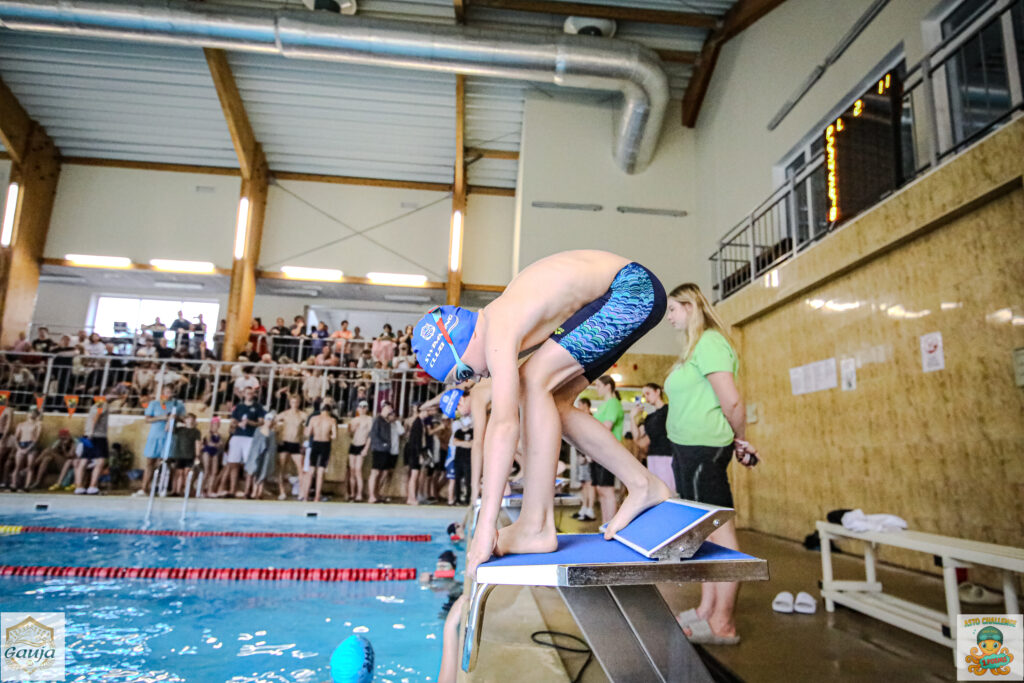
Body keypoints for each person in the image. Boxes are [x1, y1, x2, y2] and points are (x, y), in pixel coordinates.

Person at [412, 251, 671, 577]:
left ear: (466, 338)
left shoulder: (497, 330)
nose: (474, 379)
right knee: (553, 402)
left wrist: (486, 524)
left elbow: (504, 425)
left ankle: (535, 526)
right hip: (630, 293)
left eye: (463, 372)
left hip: (632, 290)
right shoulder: (501, 317)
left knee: (532, 381)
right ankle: (642, 484)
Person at [663, 282, 760, 645]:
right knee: (701, 532)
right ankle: (707, 608)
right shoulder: (693, 348)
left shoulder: (711, 343)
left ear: (690, 306)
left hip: (705, 449)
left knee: (719, 532)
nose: (669, 317)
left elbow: (731, 402)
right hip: (686, 450)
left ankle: (724, 621)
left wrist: (740, 439)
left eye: (673, 309)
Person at [136, 385, 185, 496]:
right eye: (166, 391)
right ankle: (144, 488)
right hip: (155, 436)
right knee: (150, 462)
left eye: (170, 392)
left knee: (166, 463)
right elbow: (147, 419)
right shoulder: (154, 404)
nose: (168, 394)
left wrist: (175, 417)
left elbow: (184, 419)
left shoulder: (178, 404)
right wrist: (163, 417)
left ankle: (164, 487)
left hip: (169, 436)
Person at [222, 387, 266, 498]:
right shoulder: (239, 406)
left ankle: (247, 491)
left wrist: (250, 422)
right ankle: (232, 490)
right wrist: (238, 424)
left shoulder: (258, 407)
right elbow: (233, 421)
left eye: (251, 393)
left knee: (249, 465)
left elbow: (261, 422)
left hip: (250, 437)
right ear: (244, 394)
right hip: (237, 436)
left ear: (254, 394)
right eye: (247, 393)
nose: (249, 395)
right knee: (233, 463)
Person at [632, 382, 675, 493]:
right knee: (657, 491)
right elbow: (637, 438)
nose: (646, 398)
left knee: (668, 490)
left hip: (667, 455)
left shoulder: (669, 411)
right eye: (644, 395)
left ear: (657, 391)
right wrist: (632, 417)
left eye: (648, 393)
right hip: (652, 456)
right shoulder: (649, 417)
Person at [74, 397, 111, 495]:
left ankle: (79, 487)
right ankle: (92, 486)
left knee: (84, 460)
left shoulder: (94, 406)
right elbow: (97, 416)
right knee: (100, 461)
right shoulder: (103, 404)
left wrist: (88, 433)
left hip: (88, 435)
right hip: (98, 436)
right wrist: (91, 432)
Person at [571, 397, 596, 521]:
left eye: (580, 404)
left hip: (588, 456)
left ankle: (590, 509)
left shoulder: (590, 418)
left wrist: (586, 455)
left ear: (586, 405)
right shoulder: (580, 419)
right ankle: (584, 507)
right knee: (583, 484)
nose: (578, 407)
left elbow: (589, 438)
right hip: (581, 455)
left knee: (589, 484)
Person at [276, 395, 306, 500]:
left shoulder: (302, 415)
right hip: (285, 442)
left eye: (296, 402)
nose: (294, 404)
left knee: (301, 469)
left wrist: (304, 442)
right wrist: (278, 435)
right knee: (281, 468)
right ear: (290, 403)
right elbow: (273, 421)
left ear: (299, 403)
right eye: (293, 402)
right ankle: (282, 491)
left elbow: (308, 427)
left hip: (296, 443)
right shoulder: (285, 414)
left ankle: (302, 492)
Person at [307, 403, 337, 502]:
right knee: (320, 472)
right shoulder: (332, 420)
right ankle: (317, 497)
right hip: (325, 444)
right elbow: (334, 436)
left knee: (311, 471)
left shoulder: (313, 419)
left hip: (315, 443)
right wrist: (328, 434)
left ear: (321, 410)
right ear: (329, 411)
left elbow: (308, 433)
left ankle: (305, 496)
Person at [244, 410, 278, 499]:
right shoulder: (258, 430)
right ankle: (251, 492)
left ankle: (259, 492)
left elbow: (272, 447)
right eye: (268, 420)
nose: (269, 422)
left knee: (263, 473)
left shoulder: (272, 433)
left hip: (266, 456)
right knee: (254, 472)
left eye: (271, 420)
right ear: (265, 420)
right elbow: (255, 445)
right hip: (256, 455)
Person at [366, 403, 394, 504]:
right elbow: (373, 435)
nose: (390, 410)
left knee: (382, 473)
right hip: (379, 449)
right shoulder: (378, 420)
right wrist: (383, 444)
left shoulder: (386, 421)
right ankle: (371, 496)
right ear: (384, 409)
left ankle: (376, 493)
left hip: (385, 450)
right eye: (388, 408)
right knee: (375, 472)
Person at [8, 409, 42, 491]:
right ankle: (13, 484)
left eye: (34, 413)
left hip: (31, 445)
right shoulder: (21, 424)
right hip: (21, 444)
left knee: (30, 467)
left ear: (36, 415)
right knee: (17, 466)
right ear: (27, 414)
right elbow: (16, 438)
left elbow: (37, 438)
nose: (31, 414)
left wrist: (28, 448)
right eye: (30, 412)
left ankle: (27, 486)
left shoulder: (38, 424)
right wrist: (19, 448)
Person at [170, 413, 202, 497]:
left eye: (192, 419)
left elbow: (197, 443)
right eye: (188, 418)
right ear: (185, 420)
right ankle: (176, 490)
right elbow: (169, 429)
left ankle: (184, 490)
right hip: (179, 455)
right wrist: (173, 418)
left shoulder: (196, 432)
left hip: (190, 455)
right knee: (178, 473)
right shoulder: (180, 430)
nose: (190, 420)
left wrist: (197, 456)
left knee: (187, 473)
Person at [346, 400, 372, 501]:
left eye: (364, 407)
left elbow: (370, 436)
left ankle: (359, 494)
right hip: (353, 445)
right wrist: (352, 429)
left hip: (362, 445)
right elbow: (350, 434)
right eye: (360, 407)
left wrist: (366, 448)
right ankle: (353, 493)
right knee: (352, 470)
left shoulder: (369, 419)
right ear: (357, 408)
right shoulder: (354, 420)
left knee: (358, 470)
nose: (362, 408)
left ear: (367, 408)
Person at [403, 402, 425, 505]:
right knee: (412, 474)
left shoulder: (420, 421)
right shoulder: (412, 421)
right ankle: (410, 497)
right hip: (411, 448)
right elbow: (407, 435)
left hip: (414, 447)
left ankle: (411, 496)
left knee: (414, 474)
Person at [201, 417, 224, 497]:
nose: (216, 426)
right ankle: (201, 490)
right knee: (207, 471)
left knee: (214, 472)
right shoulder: (208, 433)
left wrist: (217, 444)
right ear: (211, 425)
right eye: (215, 424)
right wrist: (217, 444)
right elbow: (209, 443)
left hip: (215, 453)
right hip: (207, 452)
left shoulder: (219, 435)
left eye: (217, 424)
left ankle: (209, 490)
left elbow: (221, 444)